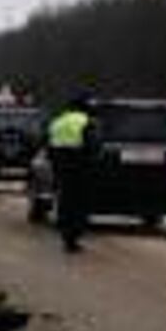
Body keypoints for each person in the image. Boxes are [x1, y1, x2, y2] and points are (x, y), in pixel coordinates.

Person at [47, 93, 96, 252]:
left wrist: (54, 164)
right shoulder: (85, 121)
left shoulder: (57, 122)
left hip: (61, 166)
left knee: (65, 199)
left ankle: (65, 232)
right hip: (80, 166)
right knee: (79, 202)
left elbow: (47, 144)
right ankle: (73, 236)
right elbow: (92, 145)